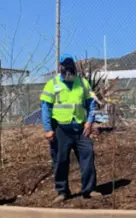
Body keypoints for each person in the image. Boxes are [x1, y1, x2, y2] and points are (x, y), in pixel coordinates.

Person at [41, 55, 99, 202]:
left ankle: (89, 189)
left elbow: (91, 103)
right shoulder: (52, 84)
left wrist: (89, 122)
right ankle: (62, 191)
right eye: (66, 74)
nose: (69, 77)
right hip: (60, 128)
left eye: (71, 74)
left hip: (80, 128)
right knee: (60, 160)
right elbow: (45, 108)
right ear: (61, 70)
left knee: (88, 155)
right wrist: (48, 129)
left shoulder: (83, 83)